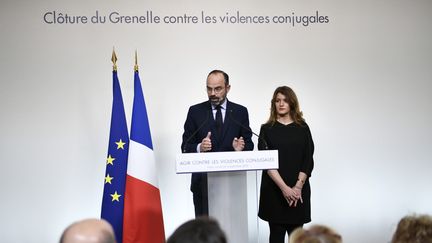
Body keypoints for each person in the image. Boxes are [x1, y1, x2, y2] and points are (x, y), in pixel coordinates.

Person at [181, 69, 254, 217]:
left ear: (228, 88)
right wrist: (199, 147)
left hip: (232, 184)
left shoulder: (240, 112)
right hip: (203, 185)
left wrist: (240, 149)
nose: (212, 93)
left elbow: (249, 144)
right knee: (205, 234)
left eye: (218, 88)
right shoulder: (195, 111)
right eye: (209, 88)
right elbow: (185, 146)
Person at [258, 86, 315, 243]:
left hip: (298, 193)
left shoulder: (303, 128)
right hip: (274, 192)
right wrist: (284, 189)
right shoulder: (266, 129)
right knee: (275, 237)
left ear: (292, 103)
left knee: (297, 238)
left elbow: (308, 160)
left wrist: (297, 188)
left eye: (285, 100)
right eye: (277, 100)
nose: (281, 104)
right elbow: (266, 162)